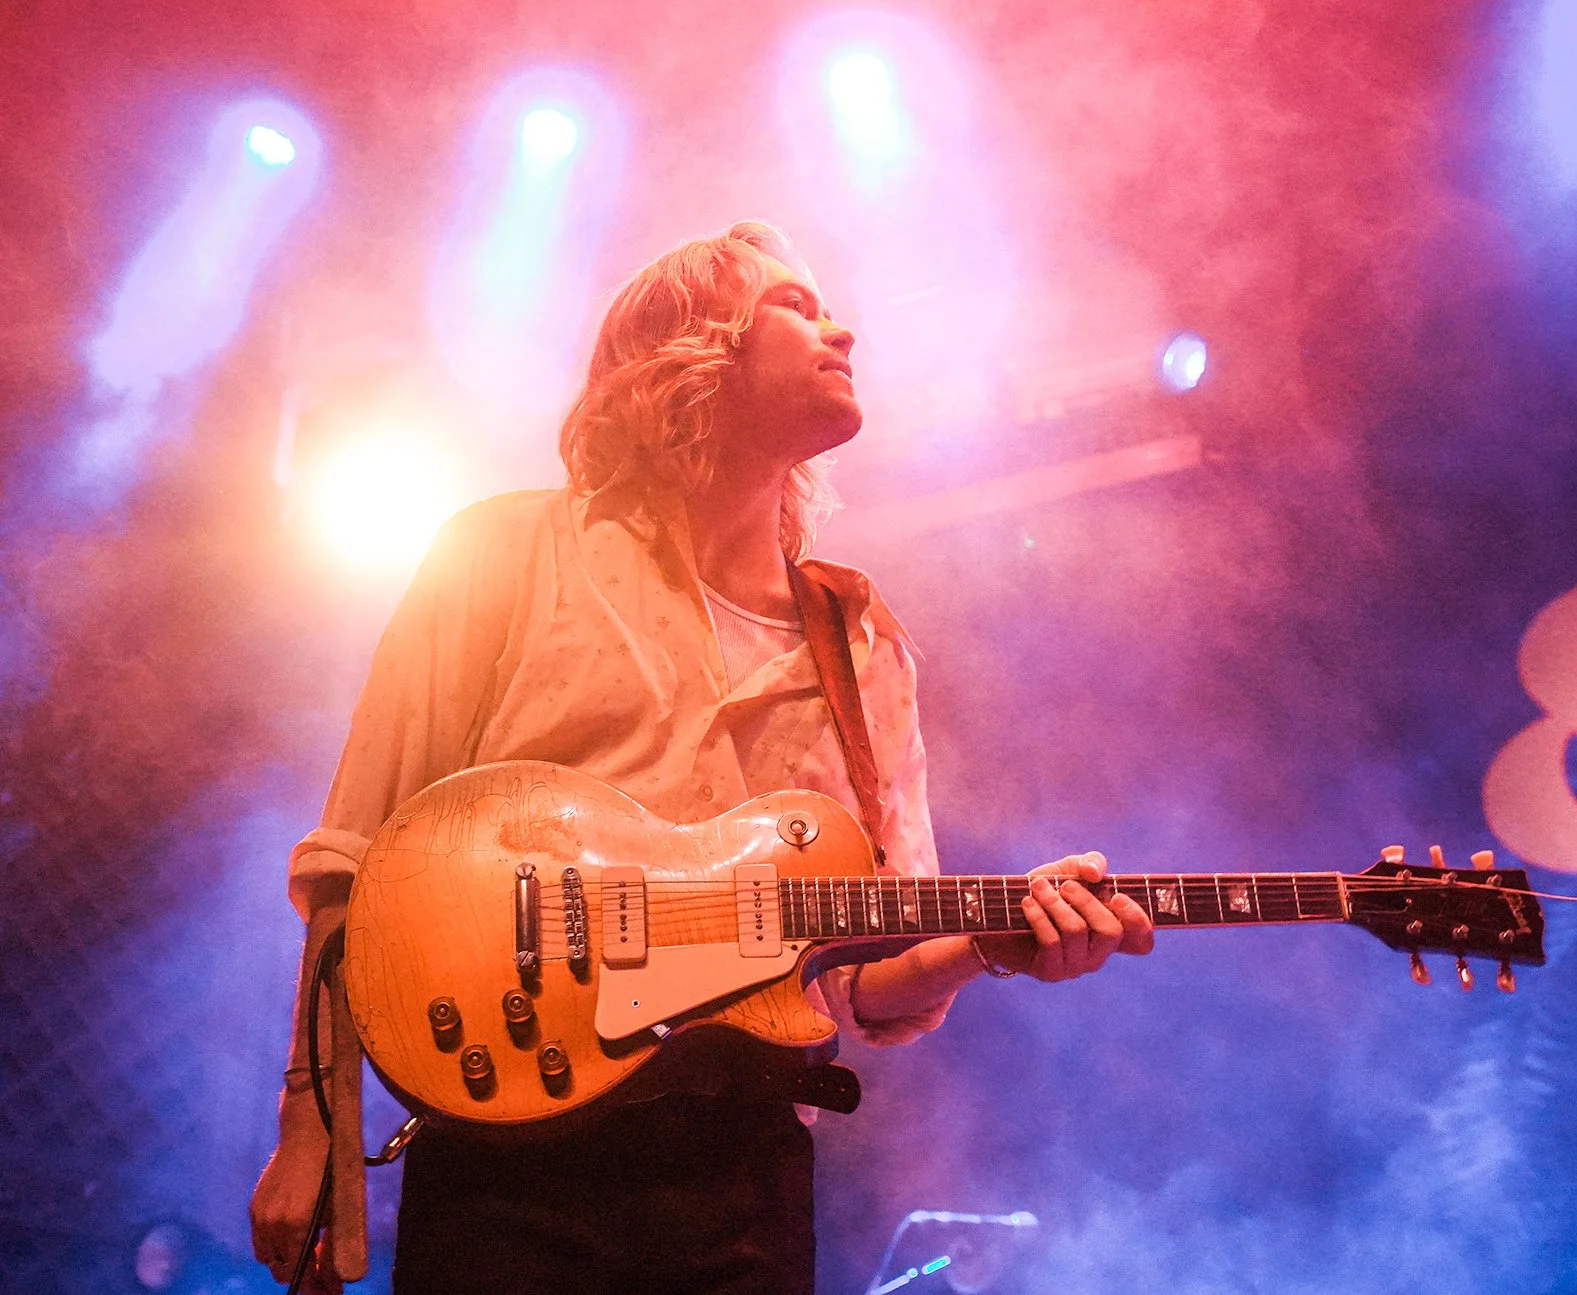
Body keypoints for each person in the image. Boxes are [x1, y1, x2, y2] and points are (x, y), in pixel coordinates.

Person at [249, 220, 1154, 1294]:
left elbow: (861, 981)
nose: (843, 331)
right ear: (692, 350)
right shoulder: (504, 552)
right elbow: (352, 862)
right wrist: (311, 1122)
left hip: (744, 1172)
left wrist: (992, 943)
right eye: (796, 306)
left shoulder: (861, 645)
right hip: (508, 1162)